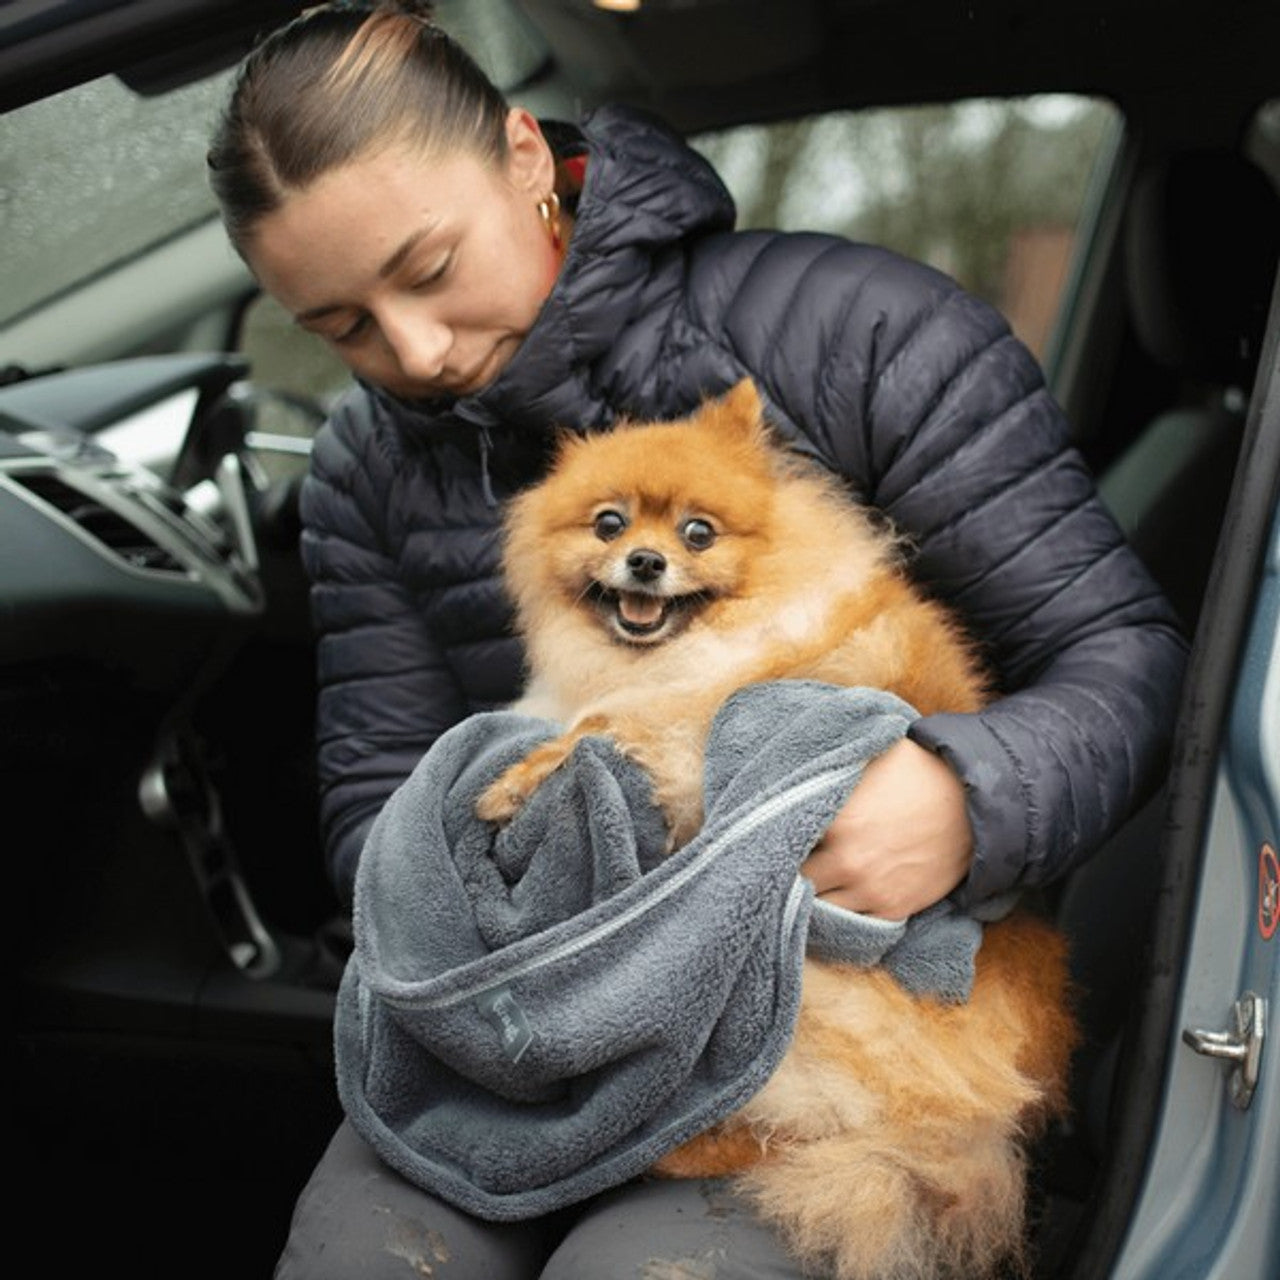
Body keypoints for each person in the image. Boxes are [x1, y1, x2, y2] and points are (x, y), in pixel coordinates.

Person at [207, 3, 1187, 1276]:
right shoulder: (360, 471)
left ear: (520, 155)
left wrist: (964, 796)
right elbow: (375, 797)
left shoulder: (861, 331)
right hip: (537, 1000)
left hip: (856, 998)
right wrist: (513, 885)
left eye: (430, 267)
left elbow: (1124, 652)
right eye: (339, 326)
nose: (416, 351)